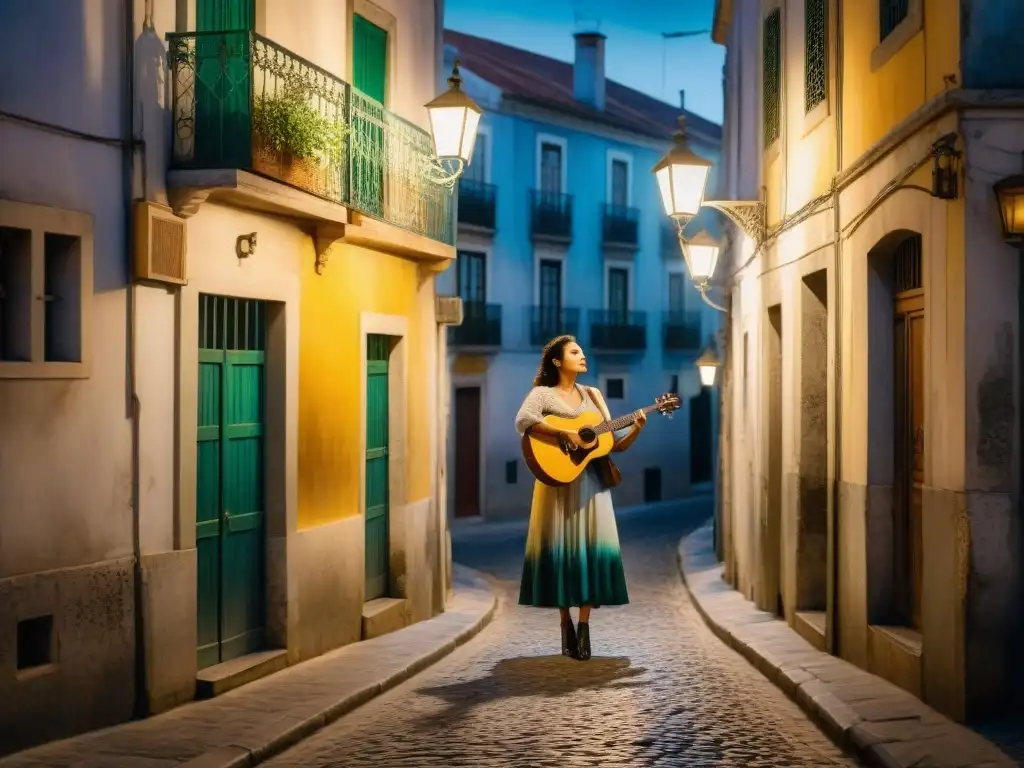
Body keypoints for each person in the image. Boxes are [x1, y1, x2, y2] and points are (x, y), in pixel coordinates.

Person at [514, 334, 646, 661]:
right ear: (557, 361)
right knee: (561, 550)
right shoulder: (542, 394)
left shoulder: (593, 394)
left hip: (590, 484)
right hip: (556, 482)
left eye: (583, 351)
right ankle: (565, 623)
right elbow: (523, 421)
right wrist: (564, 433)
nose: (583, 356)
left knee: (590, 551)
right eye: (575, 352)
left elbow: (612, 443)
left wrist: (637, 428)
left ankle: (584, 626)